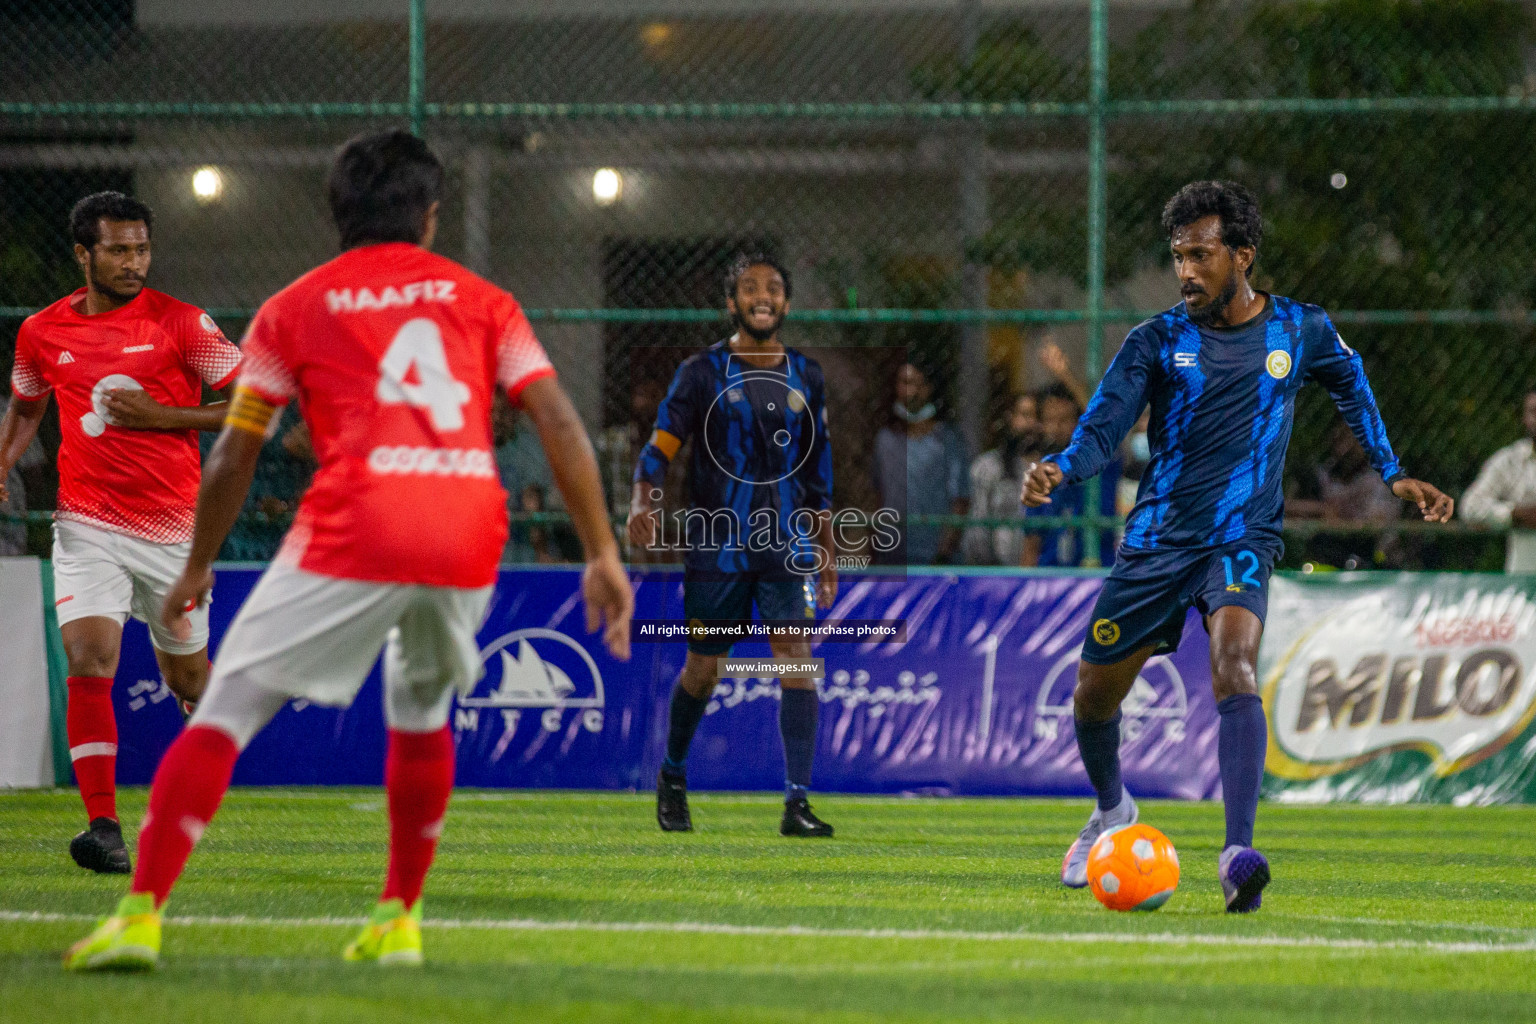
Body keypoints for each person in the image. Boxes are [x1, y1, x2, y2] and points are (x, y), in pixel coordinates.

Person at [64, 129, 633, 972]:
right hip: (468, 529)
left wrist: (194, 567)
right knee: (421, 708)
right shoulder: (485, 300)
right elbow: (555, 419)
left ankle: (140, 915)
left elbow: (235, 452)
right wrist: (601, 552)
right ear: (431, 217)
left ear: (336, 214)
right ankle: (399, 919)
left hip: (358, 525)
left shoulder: (294, 307)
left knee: (225, 711)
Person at [1022, 181, 1453, 912]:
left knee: (1235, 664)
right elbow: (1103, 425)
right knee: (1093, 695)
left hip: (1242, 536)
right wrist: (1063, 466)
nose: (1185, 271)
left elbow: (1351, 383)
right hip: (1158, 542)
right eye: (1178, 256)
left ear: (1242, 256)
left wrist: (1393, 469)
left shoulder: (1299, 330)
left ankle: (1237, 852)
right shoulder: (1156, 341)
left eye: (1200, 254)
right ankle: (1111, 810)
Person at [0, 191, 242, 876]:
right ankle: (103, 827)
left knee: (188, 675)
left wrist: (167, 417)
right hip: (85, 522)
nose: (135, 261)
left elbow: (256, 404)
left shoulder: (181, 323)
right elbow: (26, 406)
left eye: (142, 248)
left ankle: (211, 754)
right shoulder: (41, 332)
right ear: (83, 253)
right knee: (90, 659)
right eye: (119, 250)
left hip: (172, 530)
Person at [627, 253, 838, 837]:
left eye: (774, 287)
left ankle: (797, 803)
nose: (762, 296)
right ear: (732, 303)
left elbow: (817, 465)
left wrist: (824, 544)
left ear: (787, 304)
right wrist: (644, 500)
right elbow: (660, 447)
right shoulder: (700, 372)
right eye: (749, 288)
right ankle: (672, 775)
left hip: (787, 542)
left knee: (796, 660)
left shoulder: (807, 376)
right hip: (718, 545)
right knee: (703, 667)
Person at [872, 363, 970, 565]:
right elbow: (878, 497)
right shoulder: (885, 440)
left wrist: (943, 554)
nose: (911, 391)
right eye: (905, 383)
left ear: (929, 388)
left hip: (934, 559)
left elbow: (960, 501)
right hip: (893, 558)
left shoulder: (948, 441)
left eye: (918, 384)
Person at [1022, 384, 1119, 568]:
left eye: (1065, 420)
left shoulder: (1101, 461)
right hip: (1050, 577)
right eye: (1050, 420)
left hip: (1097, 574)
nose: (1057, 428)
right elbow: (1031, 544)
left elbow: (1102, 421)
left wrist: (1065, 377)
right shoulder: (1042, 472)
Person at [1460, 388, 1536, 571]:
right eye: (1534, 412)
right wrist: (1513, 514)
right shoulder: (1511, 461)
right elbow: (1470, 506)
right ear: (1525, 418)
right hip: (1524, 583)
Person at [965, 392, 1041, 566]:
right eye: (1025, 415)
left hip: (1044, 576)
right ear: (1011, 418)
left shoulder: (1055, 468)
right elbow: (978, 530)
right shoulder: (988, 467)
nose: (1032, 424)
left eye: (1037, 416)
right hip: (999, 574)